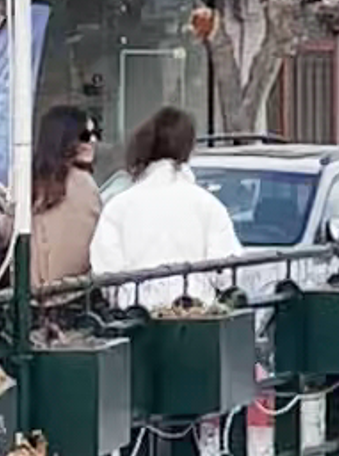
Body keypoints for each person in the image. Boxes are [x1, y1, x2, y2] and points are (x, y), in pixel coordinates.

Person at [88, 105, 245, 307]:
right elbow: (226, 274)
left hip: (135, 317)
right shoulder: (208, 206)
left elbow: (105, 271)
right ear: (188, 149)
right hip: (194, 314)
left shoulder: (119, 206)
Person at [24, 105, 103, 296]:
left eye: (95, 134)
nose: (92, 141)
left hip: (29, 301)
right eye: (85, 135)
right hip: (73, 301)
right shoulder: (83, 185)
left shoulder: (26, 182)